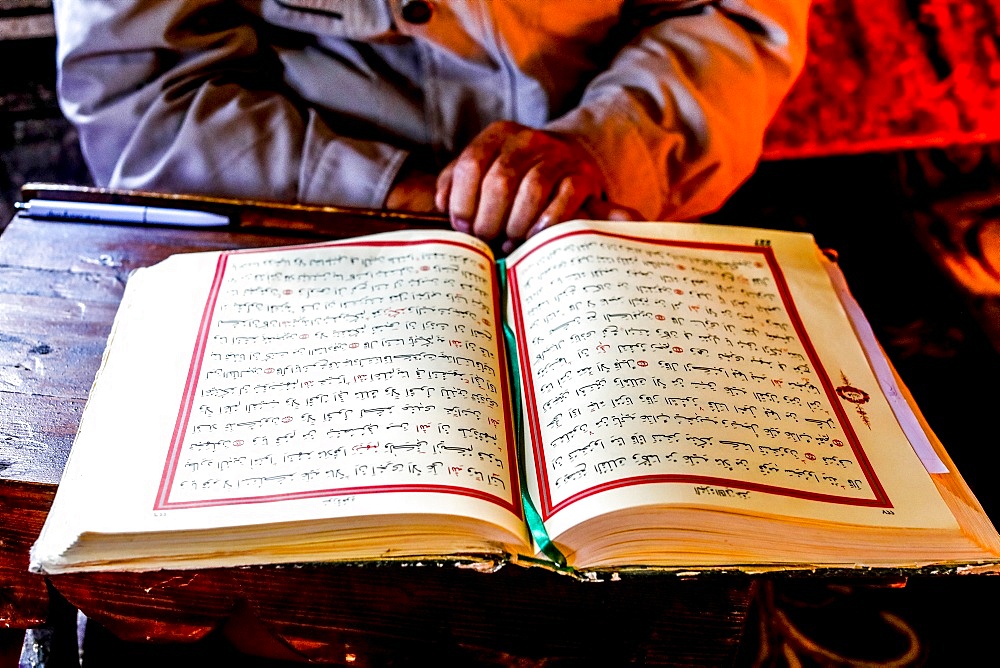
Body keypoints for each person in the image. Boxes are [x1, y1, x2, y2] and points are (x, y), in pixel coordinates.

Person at [52, 0, 811, 251]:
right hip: (297, 235)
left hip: (607, 213)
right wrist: (409, 196)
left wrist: (602, 145)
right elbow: (140, 91)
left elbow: (732, 18)